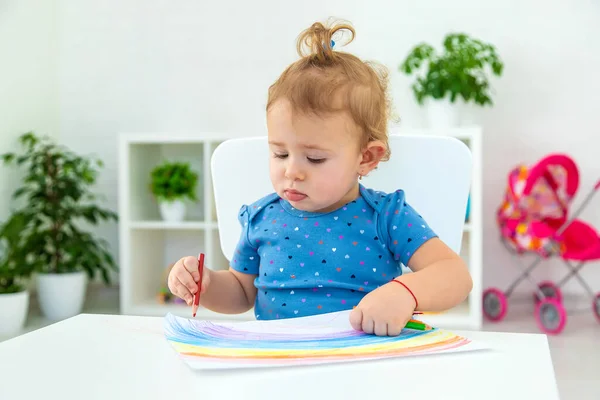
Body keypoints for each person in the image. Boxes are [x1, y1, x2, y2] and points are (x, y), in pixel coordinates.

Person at [167, 19, 472, 336]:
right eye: (280, 154)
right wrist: (206, 283)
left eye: (314, 158)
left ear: (365, 158)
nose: (291, 171)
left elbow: (455, 275)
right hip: (279, 361)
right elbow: (242, 293)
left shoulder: (387, 216)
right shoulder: (260, 218)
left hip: (364, 362)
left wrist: (405, 293)